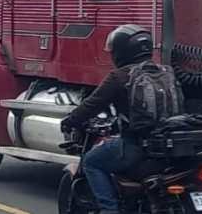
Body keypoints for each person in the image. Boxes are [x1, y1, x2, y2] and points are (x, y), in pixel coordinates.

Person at [60, 25, 153, 214]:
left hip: (134, 146)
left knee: (91, 161)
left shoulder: (119, 77)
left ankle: (109, 210)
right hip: (166, 146)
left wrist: (70, 121)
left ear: (121, 51)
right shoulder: (165, 71)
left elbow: (92, 104)